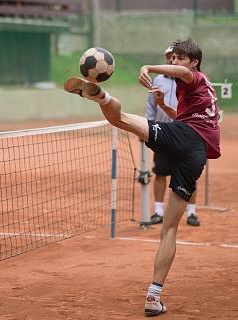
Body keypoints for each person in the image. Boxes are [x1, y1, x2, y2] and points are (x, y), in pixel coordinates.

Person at [64, 38, 220, 316]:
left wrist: (148, 65)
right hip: (195, 153)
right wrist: (163, 103)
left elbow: (183, 74)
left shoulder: (193, 76)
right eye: (172, 58)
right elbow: (183, 116)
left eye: (180, 58)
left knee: (120, 118)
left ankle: (102, 97)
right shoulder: (200, 91)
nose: (174, 62)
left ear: (194, 62)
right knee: (169, 230)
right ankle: (154, 296)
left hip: (184, 137)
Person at [146, 46, 200, 227]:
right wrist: (149, 124)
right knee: (160, 173)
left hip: (186, 132)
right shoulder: (158, 79)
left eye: (176, 57)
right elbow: (151, 104)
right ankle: (158, 211)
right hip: (163, 131)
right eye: (170, 57)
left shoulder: (189, 80)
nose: (172, 60)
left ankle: (192, 212)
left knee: (189, 175)